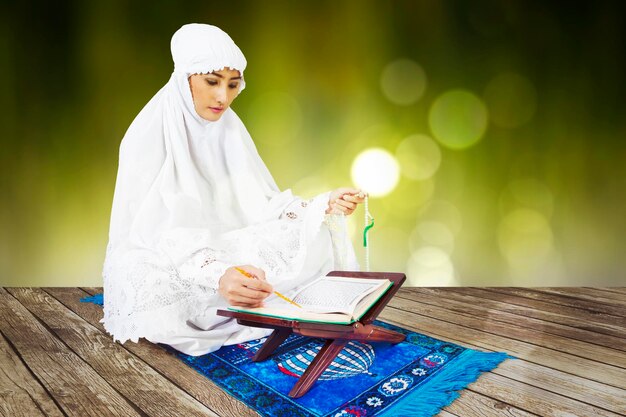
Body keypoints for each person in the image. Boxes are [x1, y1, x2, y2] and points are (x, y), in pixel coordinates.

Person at [102, 23, 366, 356]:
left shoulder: (230, 130)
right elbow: (150, 235)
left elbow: (261, 205)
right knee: (154, 290)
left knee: (317, 233)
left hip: (226, 246)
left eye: (232, 84)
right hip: (167, 256)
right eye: (212, 82)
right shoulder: (146, 135)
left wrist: (321, 205)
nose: (222, 97)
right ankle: (247, 297)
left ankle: (255, 298)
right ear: (185, 79)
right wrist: (217, 274)